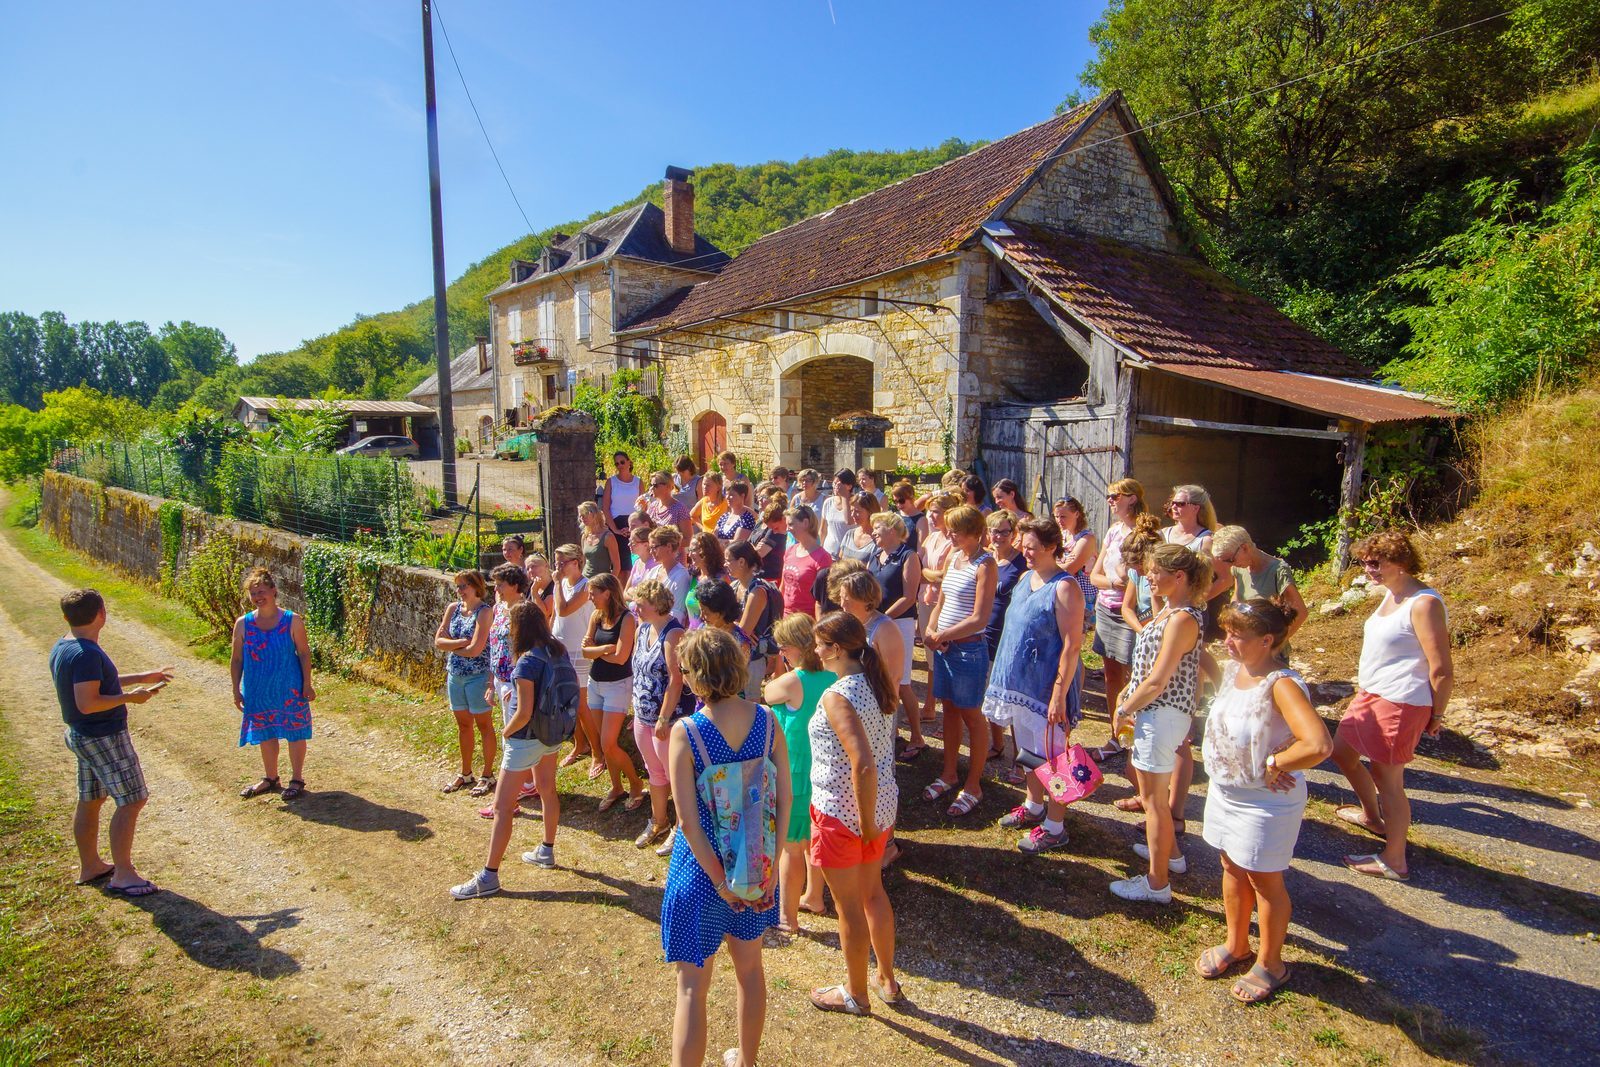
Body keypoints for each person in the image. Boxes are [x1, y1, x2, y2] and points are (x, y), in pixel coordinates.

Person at [662, 628, 789, 1067]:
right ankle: (747, 1062)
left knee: (692, 988)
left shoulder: (688, 731)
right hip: (755, 865)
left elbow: (686, 822)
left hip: (701, 873)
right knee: (751, 971)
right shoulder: (767, 721)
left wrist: (719, 881)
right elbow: (785, 798)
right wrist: (769, 864)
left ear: (693, 675)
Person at [1197, 598, 1333, 1003]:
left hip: (1264, 803)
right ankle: (1237, 945)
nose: (1227, 642)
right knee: (1231, 865)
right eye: (1226, 633)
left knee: (1265, 879)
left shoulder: (1282, 683)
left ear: (1267, 640)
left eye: (1237, 636)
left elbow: (1319, 744)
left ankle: (1272, 963)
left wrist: (1278, 760)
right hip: (1226, 791)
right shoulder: (1237, 671)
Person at [1331, 531, 1452, 882]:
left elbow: (1441, 668)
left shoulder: (1424, 602)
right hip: (1372, 694)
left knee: (1388, 778)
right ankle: (1373, 817)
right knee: (1342, 752)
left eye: (1375, 563)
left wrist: (1437, 714)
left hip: (1401, 700)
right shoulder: (1392, 594)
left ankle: (1394, 859)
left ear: (1400, 562)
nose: (1368, 570)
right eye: (1365, 562)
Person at [809, 612, 901, 1015]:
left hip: (844, 814)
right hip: (877, 809)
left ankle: (856, 994)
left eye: (820, 644)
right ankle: (887, 979)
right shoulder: (875, 683)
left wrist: (862, 822)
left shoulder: (838, 695)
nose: (815, 651)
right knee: (874, 895)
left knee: (848, 908)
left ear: (836, 650)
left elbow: (862, 762)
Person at [1109, 543, 1212, 904]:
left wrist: (1124, 709)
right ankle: (1172, 858)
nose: (1149, 576)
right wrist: (1127, 694)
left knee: (1154, 802)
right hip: (1157, 712)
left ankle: (1156, 884)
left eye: (1155, 571)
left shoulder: (1183, 618)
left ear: (1179, 576)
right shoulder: (1172, 611)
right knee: (1154, 798)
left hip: (1162, 713)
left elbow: (1158, 679)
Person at [52, 588, 171, 896]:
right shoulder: (87, 654)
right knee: (132, 799)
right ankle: (124, 874)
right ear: (102, 614)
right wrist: (130, 698)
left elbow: (93, 684)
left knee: (91, 799)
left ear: (67, 617)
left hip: (82, 735)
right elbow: (88, 702)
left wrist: (140, 677)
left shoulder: (65, 646)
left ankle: (90, 865)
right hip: (102, 736)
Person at [450, 601, 566, 899]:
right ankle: (547, 850)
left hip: (525, 738)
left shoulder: (526, 660)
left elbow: (524, 711)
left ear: (519, 628)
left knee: (502, 808)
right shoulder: (556, 650)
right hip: (551, 734)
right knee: (547, 790)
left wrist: (506, 730)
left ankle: (489, 877)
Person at [986, 519, 1085, 853]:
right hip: (1020, 686)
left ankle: (1056, 826)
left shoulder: (1065, 586)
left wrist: (1059, 693)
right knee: (1027, 751)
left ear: (1051, 547)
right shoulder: (1027, 577)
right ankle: (1033, 805)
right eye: (1023, 545)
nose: (1024, 552)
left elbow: (1072, 646)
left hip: (1046, 689)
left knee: (1054, 757)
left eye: (1031, 547)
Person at [922, 504, 999, 818]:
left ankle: (974, 784)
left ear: (973, 532)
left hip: (967, 650)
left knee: (971, 715)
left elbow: (980, 617)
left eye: (954, 529)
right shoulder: (954, 558)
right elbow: (941, 600)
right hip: (946, 648)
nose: (948, 533)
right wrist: (931, 628)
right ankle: (950, 772)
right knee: (949, 710)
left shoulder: (986, 564)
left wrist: (943, 635)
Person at [763, 614, 835, 933]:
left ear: (796, 648)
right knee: (812, 839)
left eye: (783, 648)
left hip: (795, 772)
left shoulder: (794, 681)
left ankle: (787, 917)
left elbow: (767, 693)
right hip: (824, 769)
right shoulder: (833, 674)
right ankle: (814, 896)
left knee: (791, 846)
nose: (781, 654)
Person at [233, 567, 316, 801]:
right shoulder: (243, 624)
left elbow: (304, 653)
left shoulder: (292, 620)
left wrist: (307, 684)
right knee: (265, 731)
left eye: (262, 591)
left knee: (295, 732)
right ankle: (271, 778)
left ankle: (297, 779)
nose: (258, 597)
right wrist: (235, 689)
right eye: (253, 593)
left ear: (274, 591)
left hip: (289, 688)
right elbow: (237, 658)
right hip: (258, 689)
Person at [629, 578, 696, 854]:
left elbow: (675, 679)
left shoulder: (673, 633)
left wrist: (664, 717)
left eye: (641, 603)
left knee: (675, 775)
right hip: (642, 714)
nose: (636, 607)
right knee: (654, 771)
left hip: (666, 718)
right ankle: (659, 821)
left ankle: (683, 829)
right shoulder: (642, 629)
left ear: (656, 605)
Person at [1088, 479, 1147, 762]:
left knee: (1136, 676)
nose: (1110, 501)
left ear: (1132, 499)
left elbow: (1141, 576)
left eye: (1115, 496)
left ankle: (1138, 736)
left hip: (1133, 610)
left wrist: (1120, 584)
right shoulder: (1113, 531)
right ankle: (1116, 734)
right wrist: (1113, 582)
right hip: (1106, 608)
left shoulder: (1145, 532)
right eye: (1109, 496)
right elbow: (1095, 576)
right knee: (1112, 675)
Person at [582, 572, 645, 812]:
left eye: (593, 593)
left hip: (617, 686)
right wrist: (604, 649)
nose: (590, 598)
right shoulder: (597, 616)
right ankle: (616, 786)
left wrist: (597, 651)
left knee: (608, 744)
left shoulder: (627, 619)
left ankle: (636, 783)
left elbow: (620, 658)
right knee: (602, 741)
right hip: (595, 683)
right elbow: (585, 651)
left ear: (607, 593)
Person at [433, 568, 495, 796]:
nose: (459, 591)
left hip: (477, 676)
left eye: (463, 586)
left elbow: (477, 648)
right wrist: (462, 643)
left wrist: (453, 645)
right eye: (458, 586)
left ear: (476, 587)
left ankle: (487, 774)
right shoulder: (453, 609)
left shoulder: (484, 612)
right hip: (455, 675)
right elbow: (439, 641)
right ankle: (466, 772)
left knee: (484, 725)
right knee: (463, 725)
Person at [867, 511, 924, 760]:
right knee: (880, 678)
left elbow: (909, 596)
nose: (873, 533)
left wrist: (883, 618)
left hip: (899, 624)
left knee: (902, 682)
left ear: (892, 531)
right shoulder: (875, 554)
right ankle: (892, 729)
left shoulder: (908, 556)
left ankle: (918, 736)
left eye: (877, 529)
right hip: (876, 623)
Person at [1209, 525, 1307, 659]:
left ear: (1244, 548)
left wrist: (1276, 645)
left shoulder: (1277, 570)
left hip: (1269, 653)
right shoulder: (1240, 568)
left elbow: (1301, 612)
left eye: (1231, 559)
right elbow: (1237, 599)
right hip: (1246, 648)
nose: (1230, 565)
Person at [487, 563, 539, 807]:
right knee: (510, 731)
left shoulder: (523, 611)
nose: (496, 587)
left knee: (513, 737)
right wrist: (491, 682)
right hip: (500, 680)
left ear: (515, 586)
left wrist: (519, 686)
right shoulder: (498, 609)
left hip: (516, 682)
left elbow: (530, 648)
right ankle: (527, 783)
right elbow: (494, 647)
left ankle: (512, 792)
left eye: (500, 583)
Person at [551, 544, 603, 779]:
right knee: (567, 701)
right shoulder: (560, 585)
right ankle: (579, 744)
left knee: (581, 703)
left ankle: (598, 753)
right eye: (556, 562)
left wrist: (555, 585)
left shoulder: (586, 587)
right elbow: (555, 616)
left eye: (562, 562)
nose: (558, 567)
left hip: (579, 651)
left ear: (576, 562)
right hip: (560, 648)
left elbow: (563, 610)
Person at [983, 509, 1025, 771]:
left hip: (1009, 637)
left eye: (1004, 531)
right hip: (984, 634)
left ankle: (1019, 760)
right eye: (994, 531)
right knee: (991, 693)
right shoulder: (986, 560)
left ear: (1014, 534)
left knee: (1013, 700)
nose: (998, 536)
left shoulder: (1021, 563)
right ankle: (997, 744)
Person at [915, 493, 956, 729]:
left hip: (942, 602)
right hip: (925, 599)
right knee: (930, 656)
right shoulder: (930, 538)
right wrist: (930, 574)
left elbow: (944, 576)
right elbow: (919, 569)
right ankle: (930, 704)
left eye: (936, 511)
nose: (931, 515)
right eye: (930, 511)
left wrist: (926, 573)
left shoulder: (953, 541)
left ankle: (936, 705)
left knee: (942, 655)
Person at [727, 542, 780, 700]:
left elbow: (743, 633)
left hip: (754, 660)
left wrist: (731, 626)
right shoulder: (736, 586)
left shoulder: (757, 591)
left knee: (750, 708)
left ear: (742, 562)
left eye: (728, 560)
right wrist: (733, 625)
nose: (725, 564)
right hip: (740, 658)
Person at [1054, 497, 1098, 633]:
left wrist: (1056, 563)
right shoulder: (1062, 535)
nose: (1059, 521)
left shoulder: (1086, 538)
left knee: (1075, 635)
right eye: (1056, 516)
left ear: (1077, 514)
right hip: (1062, 590)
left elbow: (1070, 568)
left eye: (1063, 516)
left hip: (1081, 592)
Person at [781, 505, 831, 617]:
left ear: (805, 523)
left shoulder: (823, 557)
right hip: (786, 618)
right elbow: (783, 587)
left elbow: (823, 598)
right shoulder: (790, 551)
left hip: (807, 620)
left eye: (791, 524)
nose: (787, 529)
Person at [645, 525, 692, 624]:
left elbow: (677, 615)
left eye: (654, 547)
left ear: (669, 547)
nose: (650, 551)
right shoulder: (652, 572)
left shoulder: (682, 576)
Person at [684, 531, 726, 630]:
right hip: (693, 636)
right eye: (689, 550)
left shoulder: (721, 579)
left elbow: (726, 613)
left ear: (707, 551)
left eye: (693, 550)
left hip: (712, 637)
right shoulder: (693, 577)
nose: (689, 554)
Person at [1162, 484, 1217, 554]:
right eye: (1173, 503)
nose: (1174, 507)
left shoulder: (1206, 539)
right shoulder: (1163, 533)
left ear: (1195, 508)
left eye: (1180, 504)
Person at [600, 451, 642, 537]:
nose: (620, 465)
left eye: (622, 462)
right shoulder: (611, 482)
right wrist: (615, 530)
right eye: (617, 464)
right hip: (616, 523)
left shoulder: (638, 481)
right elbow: (605, 508)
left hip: (634, 523)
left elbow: (643, 506)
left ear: (629, 462)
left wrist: (636, 528)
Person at [836, 490, 881, 566]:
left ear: (870, 512)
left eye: (857, 511)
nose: (852, 515)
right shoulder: (849, 534)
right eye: (851, 510)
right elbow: (839, 562)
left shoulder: (879, 539)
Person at [579, 500, 623, 578]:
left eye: (585, 514)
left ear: (594, 515)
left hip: (601, 581)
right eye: (580, 515)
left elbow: (617, 567)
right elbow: (584, 561)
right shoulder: (584, 536)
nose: (582, 518)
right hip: (585, 580)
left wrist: (608, 584)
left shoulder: (608, 537)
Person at [819, 469, 857, 557]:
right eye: (834, 483)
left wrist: (844, 496)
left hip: (848, 553)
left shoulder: (856, 503)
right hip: (829, 552)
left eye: (839, 484)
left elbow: (849, 521)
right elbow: (823, 530)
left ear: (849, 486)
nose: (836, 486)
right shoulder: (828, 502)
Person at [748, 499, 787, 583]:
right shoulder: (763, 525)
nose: (774, 532)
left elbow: (759, 553)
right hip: (757, 575)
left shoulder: (779, 534)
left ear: (784, 519)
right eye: (770, 528)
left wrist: (752, 547)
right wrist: (753, 548)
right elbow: (747, 545)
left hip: (772, 577)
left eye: (776, 528)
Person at [649, 471, 693, 544]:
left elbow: (688, 539)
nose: (652, 488)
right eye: (651, 485)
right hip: (654, 553)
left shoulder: (679, 509)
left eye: (655, 485)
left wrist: (666, 544)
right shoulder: (652, 507)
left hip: (673, 554)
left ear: (668, 486)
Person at [716, 480, 757, 546]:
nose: (727, 497)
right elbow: (713, 538)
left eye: (731, 495)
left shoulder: (747, 518)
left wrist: (718, 542)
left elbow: (737, 543)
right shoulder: (724, 516)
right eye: (726, 494)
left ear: (742, 496)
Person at [690, 472, 730, 540]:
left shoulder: (727, 503)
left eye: (708, 485)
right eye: (704, 484)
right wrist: (703, 528)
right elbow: (692, 515)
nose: (705, 487)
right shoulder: (704, 501)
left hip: (722, 542)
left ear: (718, 487)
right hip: (706, 541)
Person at [891, 480, 925, 552]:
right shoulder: (894, 516)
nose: (898, 505)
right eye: (895, 501)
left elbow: (921, 550)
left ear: (911, 498)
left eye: (901, 501)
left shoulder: (921, 520)